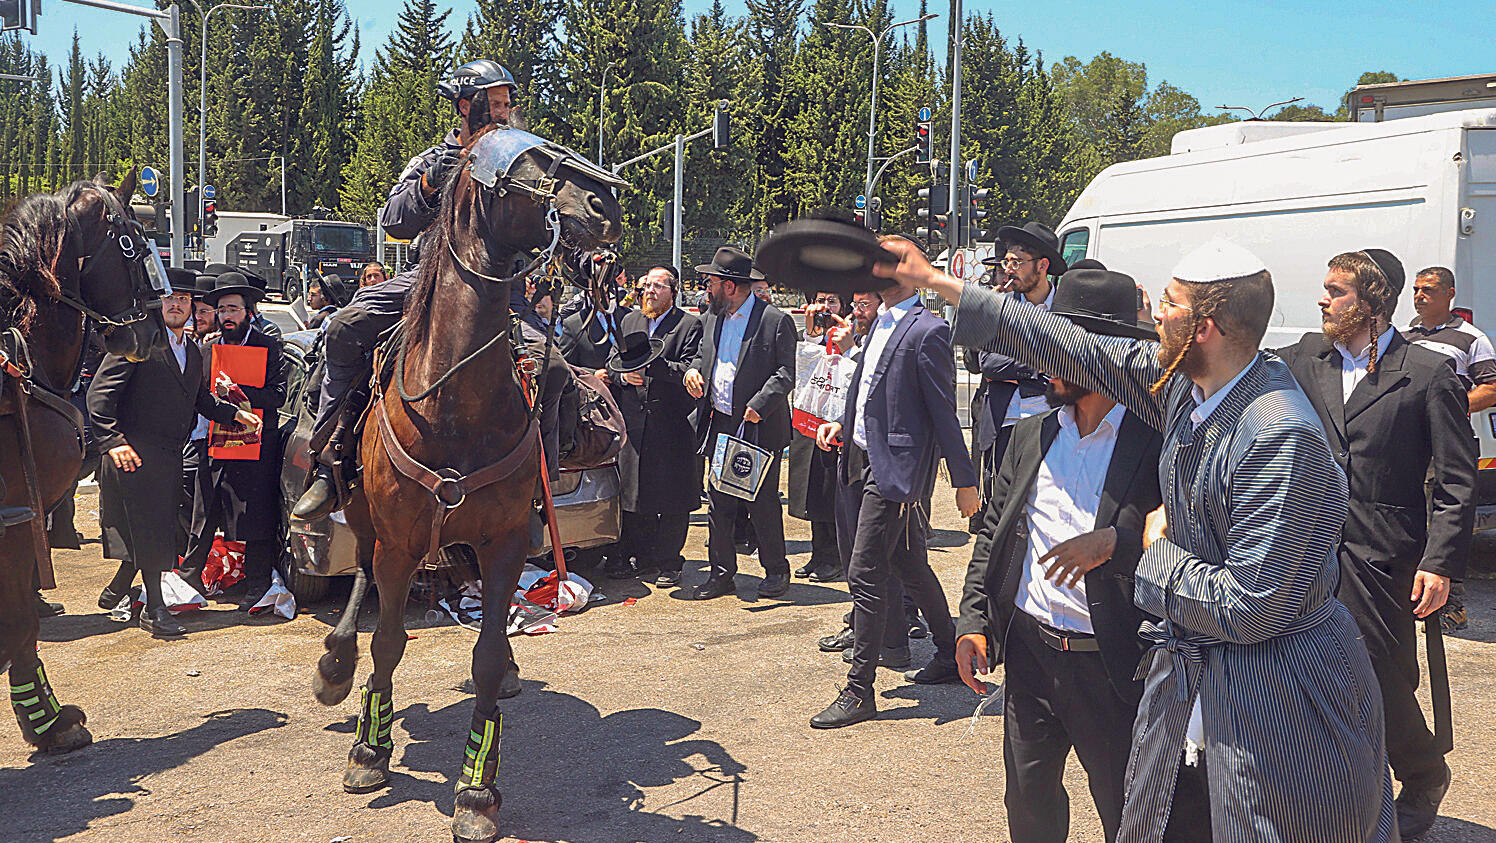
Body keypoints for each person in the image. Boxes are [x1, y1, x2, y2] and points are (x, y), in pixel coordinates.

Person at [889, 235, 1395, 841]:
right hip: (1208, 669)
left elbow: (1254, 606)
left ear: (1203, 327)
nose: (1155, 312)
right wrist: (939, 284)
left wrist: (1153, 554)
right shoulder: (1194, 384)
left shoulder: (1278, 435)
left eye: (1171, 304)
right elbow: (1078, 350)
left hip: (1277, 691)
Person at [955, 266, 1171, 842]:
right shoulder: (1031, 435)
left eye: (1057, 347)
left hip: (1113, 663)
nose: (1043, 362)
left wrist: (1117, 544)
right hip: (1030, 655)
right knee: (1027, 804)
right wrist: (974, 622)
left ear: (1102, 355)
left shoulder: (1158, 444)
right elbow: (994, 535)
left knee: (1126, 807)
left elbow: (1194, 541)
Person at [1274, 249, 1473, 841]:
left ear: (1371, 301)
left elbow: (1457, 480)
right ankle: (1337, 791)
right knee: (1302, 670)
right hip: (1306, 547)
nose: (1323, 299)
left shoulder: (1428, 373)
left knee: (1383, 674)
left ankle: (1421, 770)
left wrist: (1439, 565)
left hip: (1384, 553)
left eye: (1335, 290)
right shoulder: (1301, 359)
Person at [294, 59, 516, 520]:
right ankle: (331, 458)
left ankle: (537, 486)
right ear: (465, 106)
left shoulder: (518, 163)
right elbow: (395, 220)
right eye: (494, 103)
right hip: (427, 281)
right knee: (345, 327)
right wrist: (431, 183)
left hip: (498, 289)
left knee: (551, 367)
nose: (503, 112)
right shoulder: (430, 160)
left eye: (507, 104)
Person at [808, 255, 980, 729]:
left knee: (865, 571)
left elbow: (943, 411)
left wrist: (965, 481)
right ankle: (948, 650)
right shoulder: (880, 323)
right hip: (861, 457)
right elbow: (869, 393)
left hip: (897, 472)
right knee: (907, 562)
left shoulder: (928, 331)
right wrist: (841, 423)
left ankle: (859, 689)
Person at [88, 285, 260, 637]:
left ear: (192, 308)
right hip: (132, 453)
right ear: (157, 305)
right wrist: (112, 442)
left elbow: (201, 400)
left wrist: (236, 415)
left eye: (184, 300)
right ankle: (154, 610)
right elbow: (99, 396)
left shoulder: (193, 352)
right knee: (153, 532)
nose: (177, 305)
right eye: (170, 299)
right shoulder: (137, 342)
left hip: (169, 455)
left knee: (157, 529)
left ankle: (120, 585)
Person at [683, 246, 797, 600]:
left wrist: (759, 405)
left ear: (730, 286)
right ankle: (721, 573)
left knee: (761, 500)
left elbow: (785, 373)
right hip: (719, 420)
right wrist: (693, 372)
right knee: (718, 500)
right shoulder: (712, 317)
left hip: (757, 425)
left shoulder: (774, 321)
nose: (706, 289)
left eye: (711, 283)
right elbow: (704, 356)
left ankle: (776, 569)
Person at [179, 274, 291, 612]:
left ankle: (257, 585)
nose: (228, 316)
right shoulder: (207, 349)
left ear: (249, 312)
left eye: (234, 309)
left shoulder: (269, 346)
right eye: (222, 309)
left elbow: (278, 396)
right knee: (204, 512)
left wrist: (238, 391)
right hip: (212, 442)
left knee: (255, 516)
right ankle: (188, 582)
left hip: (256, 445)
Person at [605, 266, 704, 587]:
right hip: (634, 422)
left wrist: (653, 368)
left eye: (659, 286)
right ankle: (642, 555)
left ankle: (670, 562)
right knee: (636, 493)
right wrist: (623, 376)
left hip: (671, 423)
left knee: (673, 496)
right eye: (646, 285)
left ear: (673, 293)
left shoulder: (689, 325)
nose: (650, 291)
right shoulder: (630, 321)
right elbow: (612, 362)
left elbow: (690, 367)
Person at [966, 223, 1066, 528]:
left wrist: (1019, 357)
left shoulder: (1068, 307)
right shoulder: (1000, 305)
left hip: (1055, 424)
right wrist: (1040, 363)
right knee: (1002, 517)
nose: (1008, 270)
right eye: (1006, 262)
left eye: (1016, 262)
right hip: (1006, 425)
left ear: (1042, 266)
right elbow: (990, 363)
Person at [789, 290, 850, 582]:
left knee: (831, 492)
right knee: (811, 490)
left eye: (833, 301)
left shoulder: (852, 334)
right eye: (821, 300)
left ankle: (835, 556)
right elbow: (802, 368)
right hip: (810, 421)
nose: (826, 307)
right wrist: (812, 335)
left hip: (836, 423)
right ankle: (818, 552)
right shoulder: (809, 335)